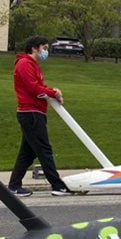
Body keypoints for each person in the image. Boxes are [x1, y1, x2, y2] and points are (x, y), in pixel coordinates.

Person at [7, 36, 72, 197]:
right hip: (31, 113)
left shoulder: (31, 65)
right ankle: (58, 185)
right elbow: (34, 88)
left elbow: (39, 87)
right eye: (44, 48)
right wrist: (54, 92)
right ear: (35, 48)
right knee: (44, 149)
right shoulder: (25, 64)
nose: (46, 52)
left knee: (28, 153)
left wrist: (52, 92)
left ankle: (14, 186)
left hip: (33, 113)